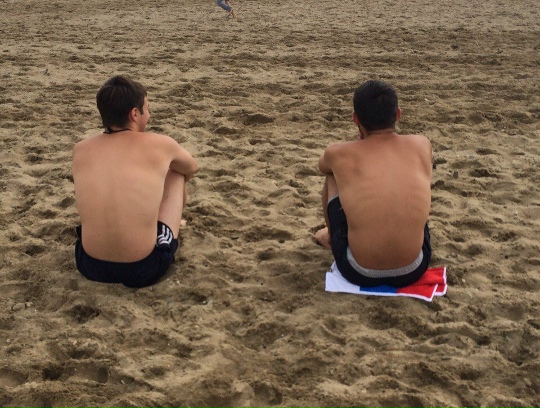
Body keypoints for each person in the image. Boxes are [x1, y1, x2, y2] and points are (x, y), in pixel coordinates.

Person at [72, 75, 198, 288]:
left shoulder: (81, 149)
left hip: (89, 264)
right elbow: (191, 168)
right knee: (176, 172)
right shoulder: (160, 144)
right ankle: (172, 225)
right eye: (147, 109)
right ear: (134, 114)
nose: (149, 115)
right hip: (143, 268)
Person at [315, 80, 432, 288]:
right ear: (398, 114)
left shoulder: (338, 153)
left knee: (332, 175)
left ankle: (332, 237)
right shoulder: (421, 144)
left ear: (355, 118)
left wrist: (359, 147)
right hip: (414, 268)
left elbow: (322, 166)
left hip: (359, 271)